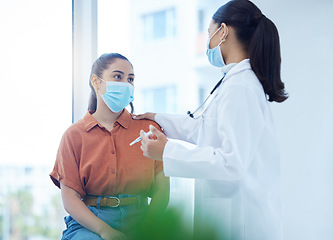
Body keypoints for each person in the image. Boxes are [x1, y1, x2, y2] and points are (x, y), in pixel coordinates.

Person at [134, 0, 287, 239]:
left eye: (209, 33)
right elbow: (204, 130)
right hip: (235, 216)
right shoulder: (234, 82)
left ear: (223, 31)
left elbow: (231, 163)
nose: (208, 42)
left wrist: (167, 151)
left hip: (243, 222)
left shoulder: (241, 86)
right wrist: (159, 118)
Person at [50, 53, 169, 240]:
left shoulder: (148, 130)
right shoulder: (73, 135)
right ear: (96, 82)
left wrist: (148, 227)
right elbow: (70, 199)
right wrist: (105, 231)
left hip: (142, 218)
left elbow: (163, 189)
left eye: (130, 79)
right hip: (91, 223)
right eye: (117, 76)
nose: (126, 83)